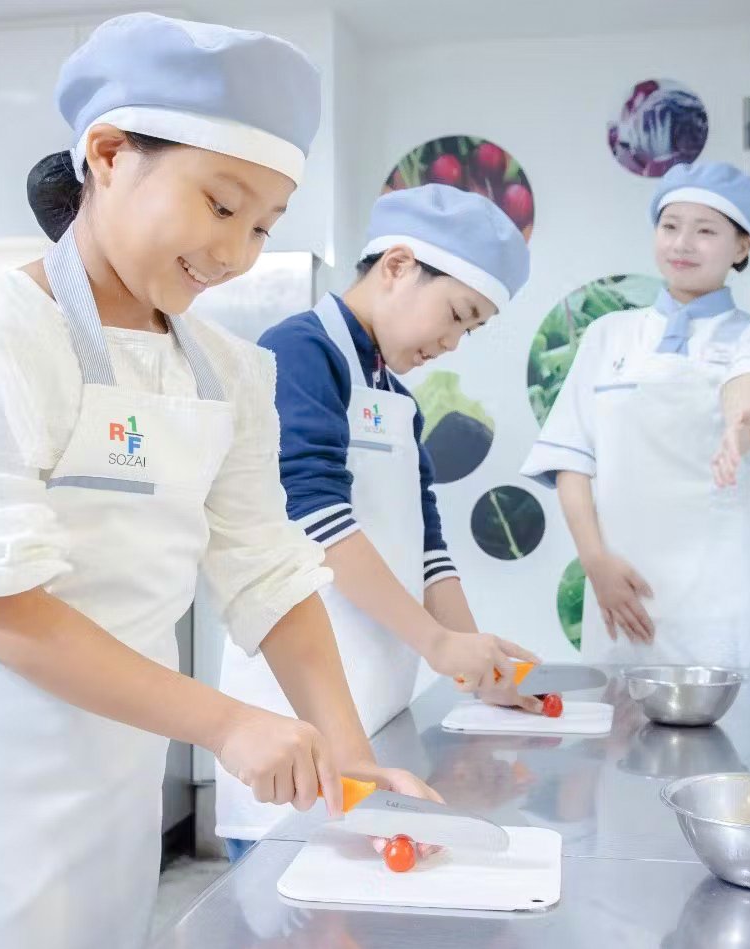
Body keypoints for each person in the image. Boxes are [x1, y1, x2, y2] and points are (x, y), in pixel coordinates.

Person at [0, 14, 436, 948]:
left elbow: (268, 569)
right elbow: (2, 609)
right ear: (108, 153)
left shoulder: (229, 372)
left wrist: (354, 759)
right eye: (220, 205)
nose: (238, 252)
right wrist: (228, 723)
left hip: (120, 762)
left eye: (262, 225)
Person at [216, 184, 538, 856]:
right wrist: (436, 642)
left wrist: (475, 660)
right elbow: (314, 511)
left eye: (470, 329)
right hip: (295, 714)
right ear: (396, 266)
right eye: (455, 314)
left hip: (376, 712)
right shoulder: (302, 351)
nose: (452, 342)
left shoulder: (397, 398)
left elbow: (431, 549)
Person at [521, 162, 750, 667]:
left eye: (706, 230)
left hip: (721, 598)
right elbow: (572, 461)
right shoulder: (609, 334)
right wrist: (595, 563)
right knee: (620, 733)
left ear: (742, 247)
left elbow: (749, 381)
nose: (682, 244)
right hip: (622, 589)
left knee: (732, 731)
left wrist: (739, 426)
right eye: (670, 226)